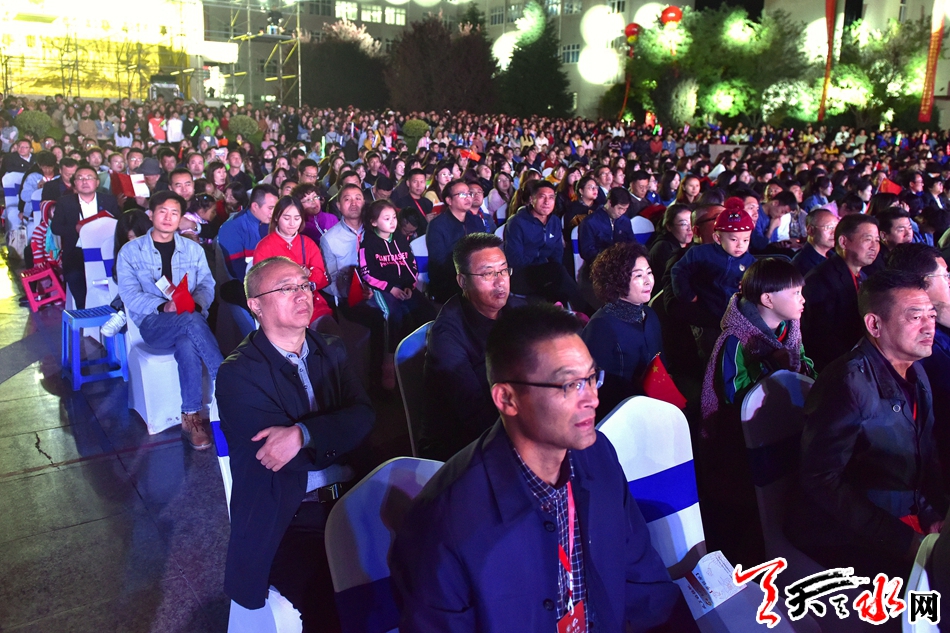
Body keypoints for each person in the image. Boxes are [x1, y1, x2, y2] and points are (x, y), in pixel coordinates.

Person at [391, 303, 698, 633]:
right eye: (570, 385)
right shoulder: (444, 520)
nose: (592, 399)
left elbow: (645, 586)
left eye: (591, 378)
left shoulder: (598, 455)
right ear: (507, 399)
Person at [217, 256, 375, 632]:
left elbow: (365, 417)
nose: (302, 294)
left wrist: (303, 434)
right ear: (255, 305)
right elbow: (282, 458)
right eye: (286, 288)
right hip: (292, 516)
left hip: (354, 496)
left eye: (304, 285)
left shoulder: (331, 348)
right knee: (332, 605)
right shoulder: (238, 373)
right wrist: (337, 430)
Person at [786, 269, 948, 582]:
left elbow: (925, 458)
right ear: (874, 324)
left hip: (900, 513)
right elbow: (821, 480)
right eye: (915, 317)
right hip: (846, 532)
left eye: (931, 315)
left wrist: (932, 513)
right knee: (934, 586)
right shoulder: (847, 383)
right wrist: (905, 541)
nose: (929, 326)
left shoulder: (916, 372)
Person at [116, 191, 222, 449]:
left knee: (187, 341)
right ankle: (226, 380)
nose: (168, 217)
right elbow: (129, 294)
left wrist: (196, 304)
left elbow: (207, 284)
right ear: (151, 214)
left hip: (189, 321)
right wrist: (164, 306)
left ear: (181, 217)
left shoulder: (192, 249)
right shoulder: (130, 251)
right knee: (189, 320)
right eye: (162, 211)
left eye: (175, 212)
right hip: (153, 325)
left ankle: (191, 418)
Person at [421, 233, 524, 461]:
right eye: (488, 274)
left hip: (513, 418)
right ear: (462, 281)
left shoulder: (515, 309)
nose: (500, 281)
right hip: (465, 446)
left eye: (503, 270)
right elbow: (473, 413)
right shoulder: (447, 336)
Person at [887, 243, 950, 490]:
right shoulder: (915, 336)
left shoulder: (940, 323)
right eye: (945, 276)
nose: (949, 281)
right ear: (924, 282)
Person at [358, 199, 437, 387]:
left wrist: (410, 285)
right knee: (392, 315)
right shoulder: (368, 242)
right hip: (383, 288)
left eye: (394, 217)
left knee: (428, 312)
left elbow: (411, 264)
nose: (392, 222)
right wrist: (390, 289)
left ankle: (426, 356)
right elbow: (366, 273)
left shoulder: (400, 238)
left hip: (405, 286)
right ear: (374, 222)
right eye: (386, 218)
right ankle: (388, 364)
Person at [581, 242, 662, 421]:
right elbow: (593, 386)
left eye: (649, 272)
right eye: (638, 275)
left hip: (653, 404)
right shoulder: (601, 326)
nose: (648, 281)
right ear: (618, 281)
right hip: (617, 414)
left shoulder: (650, 315)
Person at [671, 197, 756, 355]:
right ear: (717, 238)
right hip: (707, 321)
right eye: (733, 239)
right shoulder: (700, 254)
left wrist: (749, 286)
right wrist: (687, 294)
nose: (740, 245)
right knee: (710, 354)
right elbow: (679, 271)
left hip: (737, 320)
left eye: (746, 240)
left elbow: (759, 282)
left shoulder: (750, 261)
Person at [801, 214, 880, 372]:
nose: (874, 246)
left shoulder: (863, 276)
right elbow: (820, 337)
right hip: (833, 366)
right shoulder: (821, 279)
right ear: (843, 242)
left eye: (877, 240)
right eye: (868, 239)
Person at [506, 181, 590, 313]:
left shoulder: (554, 221)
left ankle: (567, 315)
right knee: (558, 275)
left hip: (549, 274)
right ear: (532, 199)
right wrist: (542, 260)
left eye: (551, 197)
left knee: (558, 278)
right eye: (542, 197)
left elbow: (557, 253)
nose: (547, 202)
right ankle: (587, 312)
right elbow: (515, 259)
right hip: (522, 275)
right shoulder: (517, 222)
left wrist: (548, 268)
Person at [252, 196, 333, 326]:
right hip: (280, 308)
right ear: (276, 217)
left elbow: (321, 277)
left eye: (297, 218)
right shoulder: (264, 247)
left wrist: (308, 277)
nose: (292, 223)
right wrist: (299, 277)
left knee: (328, 330)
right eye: (286, 218)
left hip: (311, 304)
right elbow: (261, 284)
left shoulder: (308, 243)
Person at [49, 163, 121, 308]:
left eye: (89, 178)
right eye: (80, 178)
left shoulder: (109, 200)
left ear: (97, 182)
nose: (85, 181)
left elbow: (120, 224)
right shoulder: (65, 202)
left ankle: (114, 308)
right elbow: (56, 227)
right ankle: (84, 309)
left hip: (106, 250)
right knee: (75, 276)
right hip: (77, 251)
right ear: (75, 183)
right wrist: (75, 228)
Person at [426, 178, 486, 302]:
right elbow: (439, 261)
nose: (468, 197)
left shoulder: (476, 221)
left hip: (475, 276)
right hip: (448, 281)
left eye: (469, 193)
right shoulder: (437, 225)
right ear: (449, 200)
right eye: (462, 194)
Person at [218, 183, 279, 280]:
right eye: (270, 208)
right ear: (255, 206)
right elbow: (237, 270)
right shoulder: (232, 228)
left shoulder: (276, 223)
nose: (274, 212)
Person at [576, 186, 635, 270]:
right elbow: (587, 252)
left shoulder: (625, 221)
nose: (621, 212)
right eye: (619, 208)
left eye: (625, 209)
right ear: (609, 203)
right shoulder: (590, 222)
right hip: (596, 268)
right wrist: (611, 258)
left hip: (622, 267)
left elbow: (632, 243)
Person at [791, 208, 838, 277]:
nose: (834, 232)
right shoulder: (801, 265)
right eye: (828, 227)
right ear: (810, 230)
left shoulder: (834, 256)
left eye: (836, 227)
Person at [648, 203, 692, 276]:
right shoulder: (663, 247)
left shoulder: (691, 244)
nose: (690, 228)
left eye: (692, 222)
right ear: (669, 226)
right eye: (684, 224)